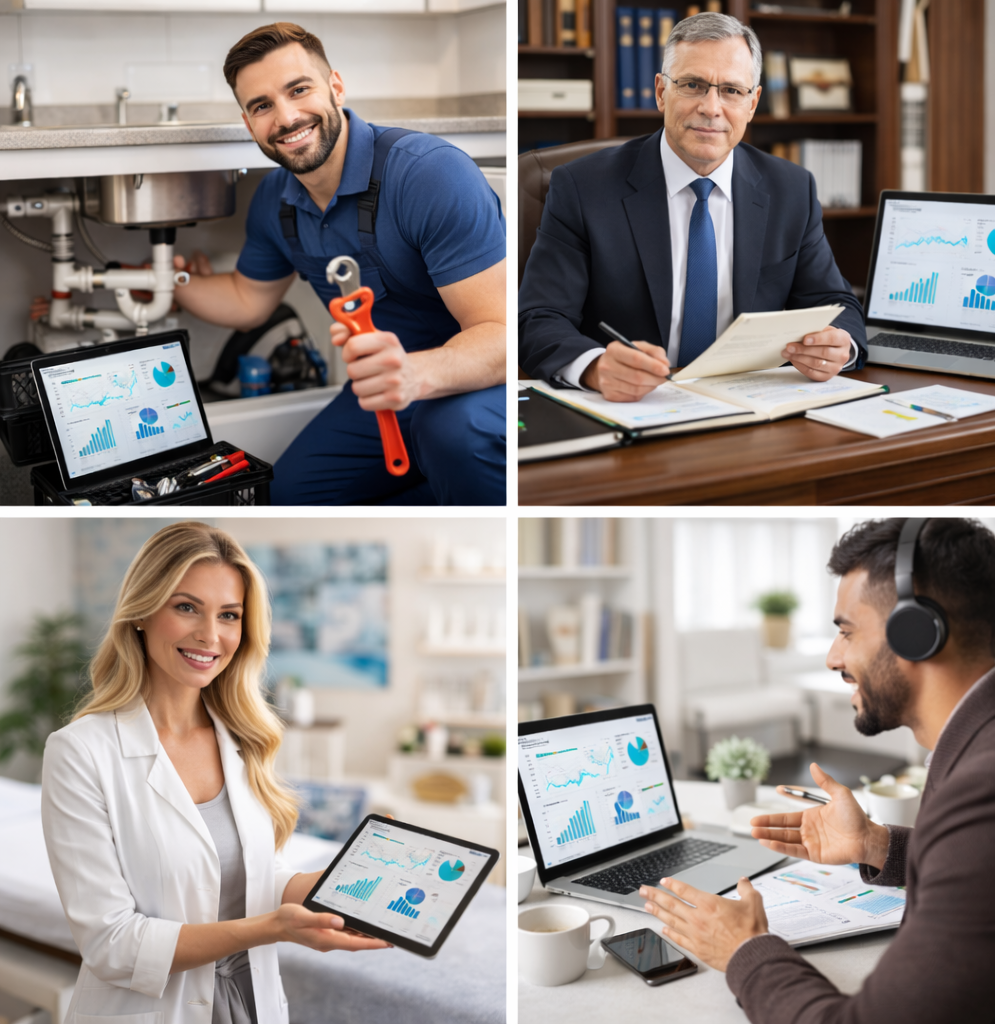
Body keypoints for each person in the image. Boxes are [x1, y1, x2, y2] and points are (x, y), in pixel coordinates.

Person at [639, 518, 995, 1023]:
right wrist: (876, 845)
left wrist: (744, 949)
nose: (832, 657)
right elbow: (985, 871)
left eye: (845, 631)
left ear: (917, 633)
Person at [41, 522, 390, 1024]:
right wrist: (272, 928)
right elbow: (112, 944)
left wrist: (332, 889)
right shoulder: (80, 753)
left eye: (229, 615)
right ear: (142, 611)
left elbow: (244, 876)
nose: (210, 635)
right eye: (186, 607)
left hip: (250, 1005)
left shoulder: (241, 736)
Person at [173, 23, 506, 505]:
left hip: (471, 385)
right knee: (285, 498)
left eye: (299, 89)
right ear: (248, 124)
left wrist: (413, 375)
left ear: (336, 87)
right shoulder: (275, 201)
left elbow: (499, 334)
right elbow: (248, 300)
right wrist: (170, 282)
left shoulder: (429, 174)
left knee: (451, 433)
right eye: (262, 105)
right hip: (381, 396)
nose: (286, 117)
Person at [518, 11, 867, 401]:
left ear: (753, 103)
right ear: (661, 92)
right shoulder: (582, 188)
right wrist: (596, 368)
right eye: (692, 85)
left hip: (751, 404)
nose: (711, 107)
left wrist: (840, 345)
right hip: (635, 407)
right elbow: (540, 318)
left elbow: (836, 304)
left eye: (732, 91)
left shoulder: (792, 189)